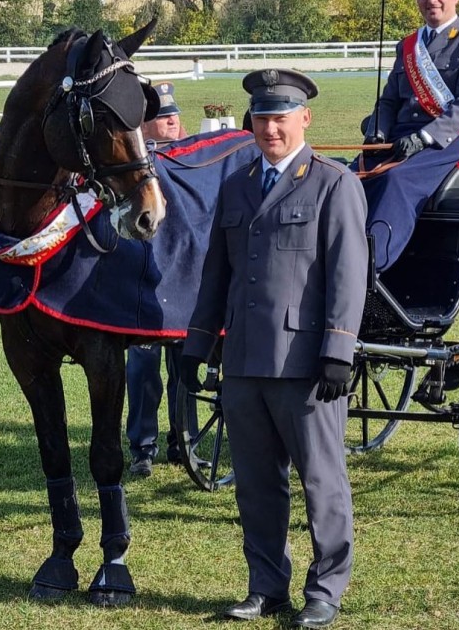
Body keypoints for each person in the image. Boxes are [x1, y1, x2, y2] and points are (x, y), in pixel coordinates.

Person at [181, 68, 368, 628]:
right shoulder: (236, 185)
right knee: (257, 486)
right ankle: (266, 586)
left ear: (304, 118)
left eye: (281, 118)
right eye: (262, 118)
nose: (271, 129)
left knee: (321, 482)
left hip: (305, 364)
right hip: (243, 361)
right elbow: (216, 272)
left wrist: (338, 350)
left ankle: (325, 591)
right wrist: (196, 344)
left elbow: (348, 273)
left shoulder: (333, 183)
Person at [359, 0, 459, 272]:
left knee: (396, 179)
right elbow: (389, 101)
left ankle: (372, 263)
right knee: (350, 177)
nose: (432, 0)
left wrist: (424, 137)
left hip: (448, 138)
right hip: (400, 137)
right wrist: (376, 131)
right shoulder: (408, 46)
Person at [126, 81, 191, 476]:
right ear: (143, 128)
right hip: (145, 282)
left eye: (173, 115)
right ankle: (142, 447)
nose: (171, 121)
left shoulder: (190, 160)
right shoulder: (134, 169)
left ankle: (183, 441)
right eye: (161, 117)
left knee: (185, 369)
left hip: (181, 276)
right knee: (142, 369)